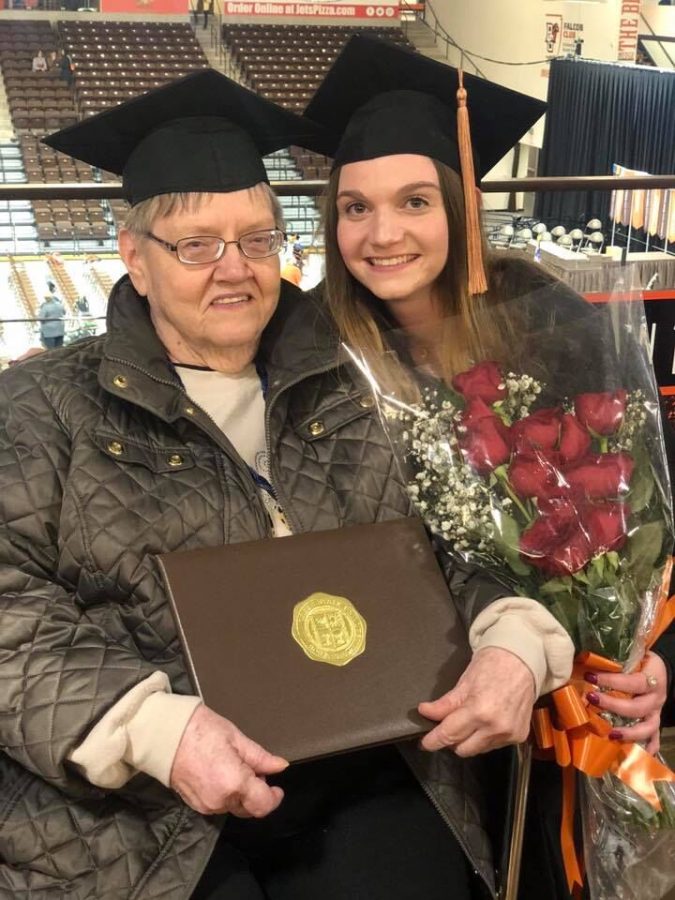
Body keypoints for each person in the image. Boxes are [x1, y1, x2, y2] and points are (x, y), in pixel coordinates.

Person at [0, 65, 549, 900]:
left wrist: (512, 639)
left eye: (257, 239)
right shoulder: (41, 408)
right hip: (141, 810)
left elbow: (455, 543)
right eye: (196, 245)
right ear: (133, 260)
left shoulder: (361, 377)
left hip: (373, 752)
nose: (235, 269)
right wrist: (154, 730)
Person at [304, 34, 673, 899]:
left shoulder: (550, 320)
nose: (382, 233)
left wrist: (654, 667)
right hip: (416, 707)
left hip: (578, 701)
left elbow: (644, 525)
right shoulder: (318, 351)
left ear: (461, 206)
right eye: (354, 207)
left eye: (414, 201)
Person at [38, 283, 66, 348]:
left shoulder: (45, 307)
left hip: (49, 332)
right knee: (59, 348)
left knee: (51, 350)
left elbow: (41, 319)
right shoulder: (60, 304)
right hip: (60, 329)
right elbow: (64, 312)